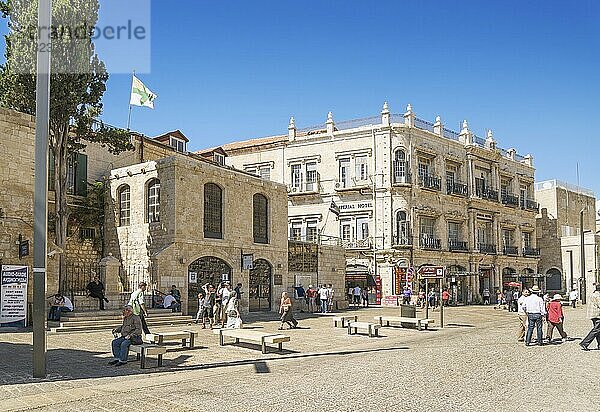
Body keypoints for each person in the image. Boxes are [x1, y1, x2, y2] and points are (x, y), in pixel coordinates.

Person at [580, 284, 600, 351]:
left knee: (597, 330)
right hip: (598, 314)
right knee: (596, 330)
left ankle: (599, 344)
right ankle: (585, 343)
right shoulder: (598, 295)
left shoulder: (592, 294)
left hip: (593, 314)